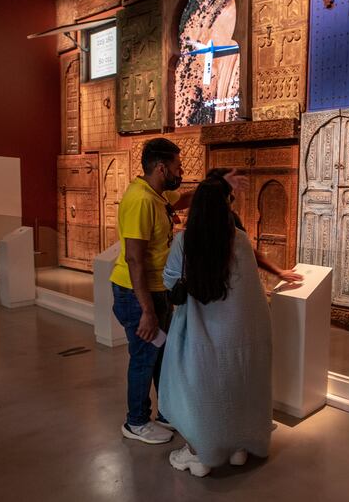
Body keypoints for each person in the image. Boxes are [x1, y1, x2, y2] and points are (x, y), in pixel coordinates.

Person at [159, 176, 273, 477]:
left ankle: (200, 455)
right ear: (226, 207)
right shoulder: (240, 240)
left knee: (200, 392)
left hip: (198, 333)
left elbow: (170, 280)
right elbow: (251, 292)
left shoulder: (186, 241)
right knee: (238, 386)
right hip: (239, 331)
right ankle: (237, 448)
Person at [110, 137, 185, 445]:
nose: (181, 172)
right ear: (160, 167)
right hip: (136, 293)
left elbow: (182, 199)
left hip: (156, 290)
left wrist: (219, 185)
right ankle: (136, 421)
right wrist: (147, 311)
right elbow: (134, 258)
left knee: (161, 354)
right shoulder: (140, 200)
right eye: (177, 167)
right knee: (144, 357)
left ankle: (165, 413)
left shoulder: (156, 195)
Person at [205, 168, 303, 285]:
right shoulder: (228, 219)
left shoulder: (194, 222)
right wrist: (279, 271)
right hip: (227, 285)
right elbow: (248, 251)